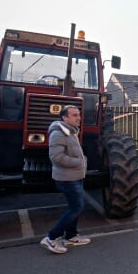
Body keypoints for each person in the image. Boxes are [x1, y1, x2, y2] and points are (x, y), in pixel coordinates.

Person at [41, 105, 89, 254]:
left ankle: (71, 236)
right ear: (65, 118)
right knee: (76, 208)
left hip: (76, 176)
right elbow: (56, 157)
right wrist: (79, 163)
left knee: (74, 207)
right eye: (74, 115)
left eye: (79, 115)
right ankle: (51, 238)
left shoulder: (71, 132)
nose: (78, 118)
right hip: (67, 178)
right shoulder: (58, 134)